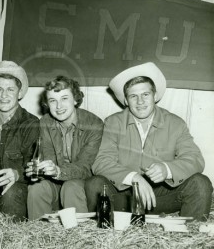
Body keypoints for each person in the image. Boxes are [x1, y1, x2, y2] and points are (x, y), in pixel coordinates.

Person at [85, 62, 213, 221]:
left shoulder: (175, 123)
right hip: (125, 198)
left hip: (162, 198)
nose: (140, 101)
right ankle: (105, 239)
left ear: (155, 95)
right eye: (133, 96)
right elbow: (101, 162)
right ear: (125, 100)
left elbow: (195, 159)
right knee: (94, 184)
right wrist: (133, 178)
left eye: (145, 94)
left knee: (201, 183)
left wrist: (167, 169)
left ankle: (191, 240)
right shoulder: (113, 123)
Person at [25, 75, 104, 220]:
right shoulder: (45, 122)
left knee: (70, 187)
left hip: (82, 181)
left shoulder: (94, 124)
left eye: (64, 99)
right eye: (53, 101)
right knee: (37, 188)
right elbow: (48, 156)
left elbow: (85, 167)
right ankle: (38, 238)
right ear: (47, 104)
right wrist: (40, 168)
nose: (58, 106)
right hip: (56, 180)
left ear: (75, 99)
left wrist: (58, 171)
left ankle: (79, 239)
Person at [0, 60, 39, 221]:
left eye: (10, 89)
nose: (4, 95)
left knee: (9, 193)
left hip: (15, 187)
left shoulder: (30, 123)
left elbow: (34, 167)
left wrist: (17, 173)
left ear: (19, 93)